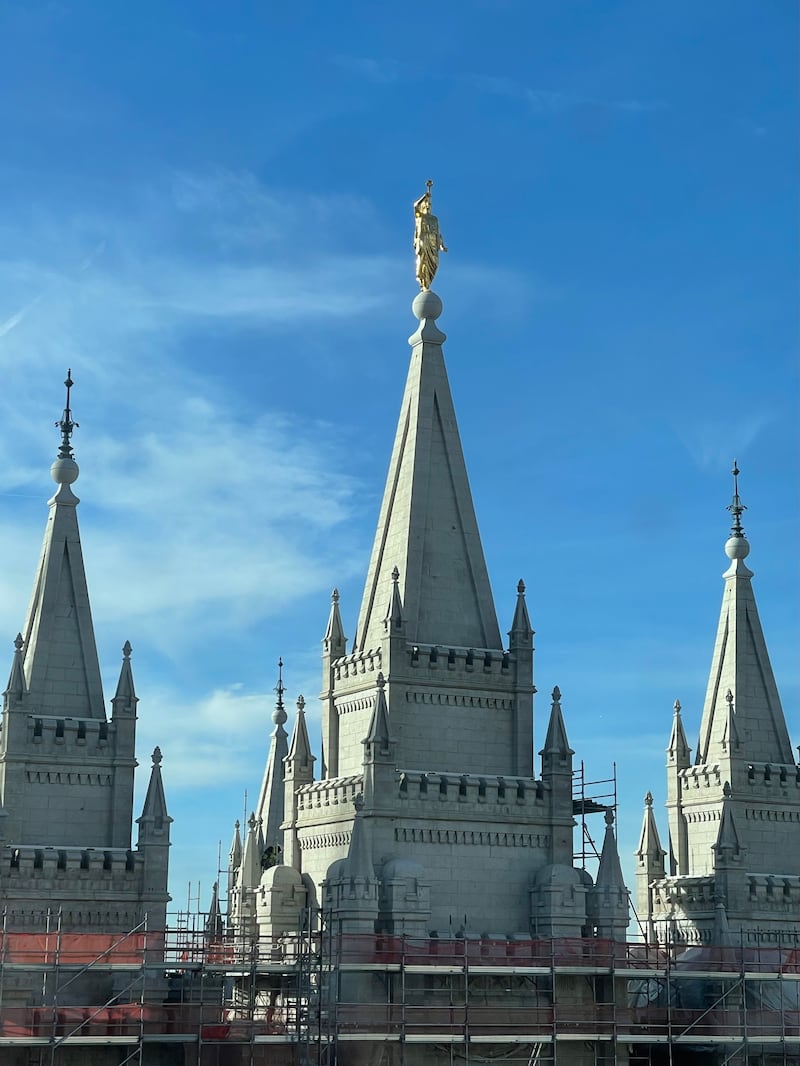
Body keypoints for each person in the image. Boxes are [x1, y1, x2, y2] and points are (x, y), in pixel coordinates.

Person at [413, 182, 447, 290]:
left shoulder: (434, 219)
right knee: (423, 262)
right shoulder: (420, 216)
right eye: (426, 204)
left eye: (429, 204)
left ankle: (428, 282)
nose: (428, 206)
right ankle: (423, 283)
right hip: (423, 241)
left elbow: (437, 233)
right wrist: (424, 197)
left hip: (432, 243)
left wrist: (441, 245)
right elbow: (415, 206)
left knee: (434, 264)